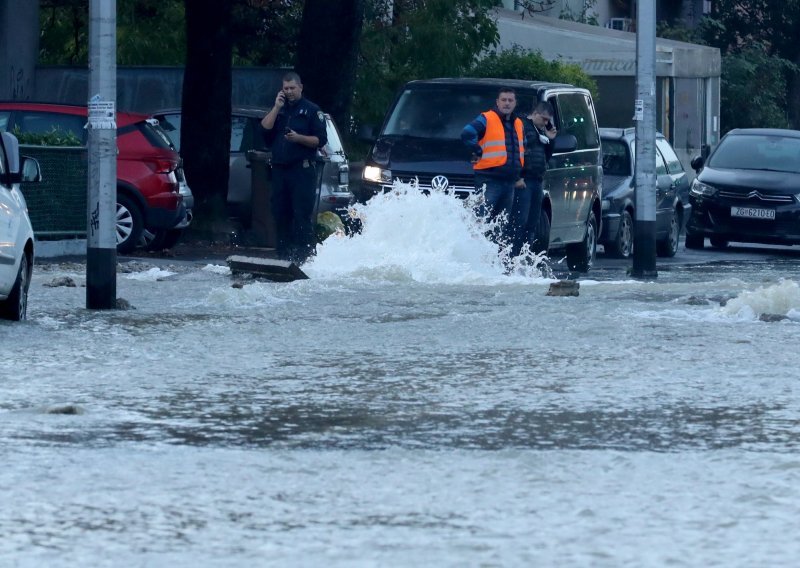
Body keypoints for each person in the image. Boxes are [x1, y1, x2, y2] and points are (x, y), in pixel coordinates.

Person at [260, 71, 327, 263]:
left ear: (300, 87)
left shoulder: (312, 111)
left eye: (292, 88)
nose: (289, 92)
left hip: (302, 170)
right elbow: (264, 130)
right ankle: (283, 255)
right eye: (285, 88)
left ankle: (303, 257)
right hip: (280, 170)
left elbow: (320, 140)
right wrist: (276, 107)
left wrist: (298, 138)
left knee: (301, 215)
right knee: (280, 213)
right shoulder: (280, 110)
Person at [461, 87, 525, 247]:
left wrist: (518, 176)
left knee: (499, 226)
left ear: (515, 103)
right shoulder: (487, 118)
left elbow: (521, 149)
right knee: (481, 222)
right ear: (497, 102)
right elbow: (467, 132)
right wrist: (477, 149)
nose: (507, 103)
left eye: (510, 100)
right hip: (489, 180)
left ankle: (492, 262)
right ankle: (474, 255)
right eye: (504, 100)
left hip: (509, 182)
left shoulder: (518, 123)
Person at [511, 100, 556, 256]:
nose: (545, 123)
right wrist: (518, 176)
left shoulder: (540, 131)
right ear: (535, 114)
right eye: (543, 119)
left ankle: (524, 256)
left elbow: (546, 156)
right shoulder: (523, 126)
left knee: (532, 222)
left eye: (548, 120)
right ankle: (514, 255)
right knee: (520, 221)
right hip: (525, 179)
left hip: (537, 179)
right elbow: (517, 152)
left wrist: (550, 139)